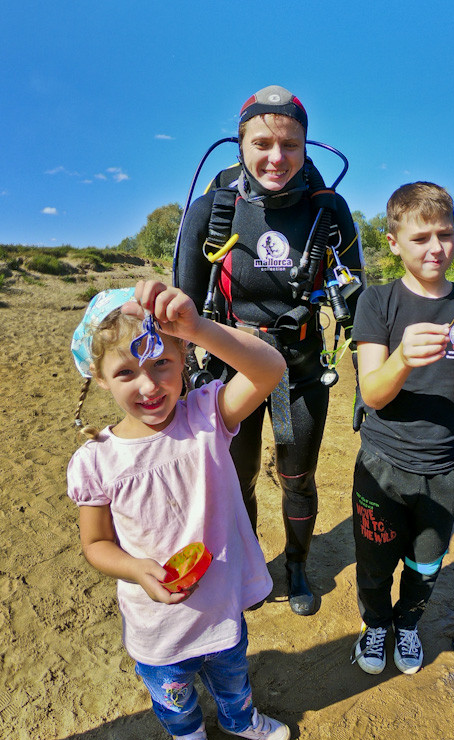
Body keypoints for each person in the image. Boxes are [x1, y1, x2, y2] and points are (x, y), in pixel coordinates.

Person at [67, 281, 290, 740]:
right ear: (100, 378)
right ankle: (188, 735)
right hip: (157, 623)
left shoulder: (207, 415)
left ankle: (239, 718)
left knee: (233, 676)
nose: (148, 386)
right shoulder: (95, 462)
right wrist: (136, 568)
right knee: (174, 696)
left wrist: (198, 326)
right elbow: (96, 544)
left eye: (161, 364)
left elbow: (270, 367)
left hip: (219, 604)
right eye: (125, 372)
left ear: (184, 357)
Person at [176, 85, 364, 615]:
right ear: (240, 145)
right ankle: (251, 562)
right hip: (229, 374)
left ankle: (298, 566)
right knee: (237, 479)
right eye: (262, 143)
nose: (276, 157)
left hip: (302, 370)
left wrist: (370, 386)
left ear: (306, 148)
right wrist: (179, 381)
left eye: (290, 145)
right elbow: (183, 314)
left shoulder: (329, 211)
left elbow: (360, 301)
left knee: (297, 478)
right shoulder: (209, 212)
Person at [350, 182, 454, 676]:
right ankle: (375, 626)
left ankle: (407, 625)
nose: (436, 247)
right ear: (394, 242)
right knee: (373, 562)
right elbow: (371, 393)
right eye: (421, 237)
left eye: (446, 234)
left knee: (425, 564)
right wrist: (402, 359)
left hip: (444, 469)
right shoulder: (376, 303)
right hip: (382, 465)